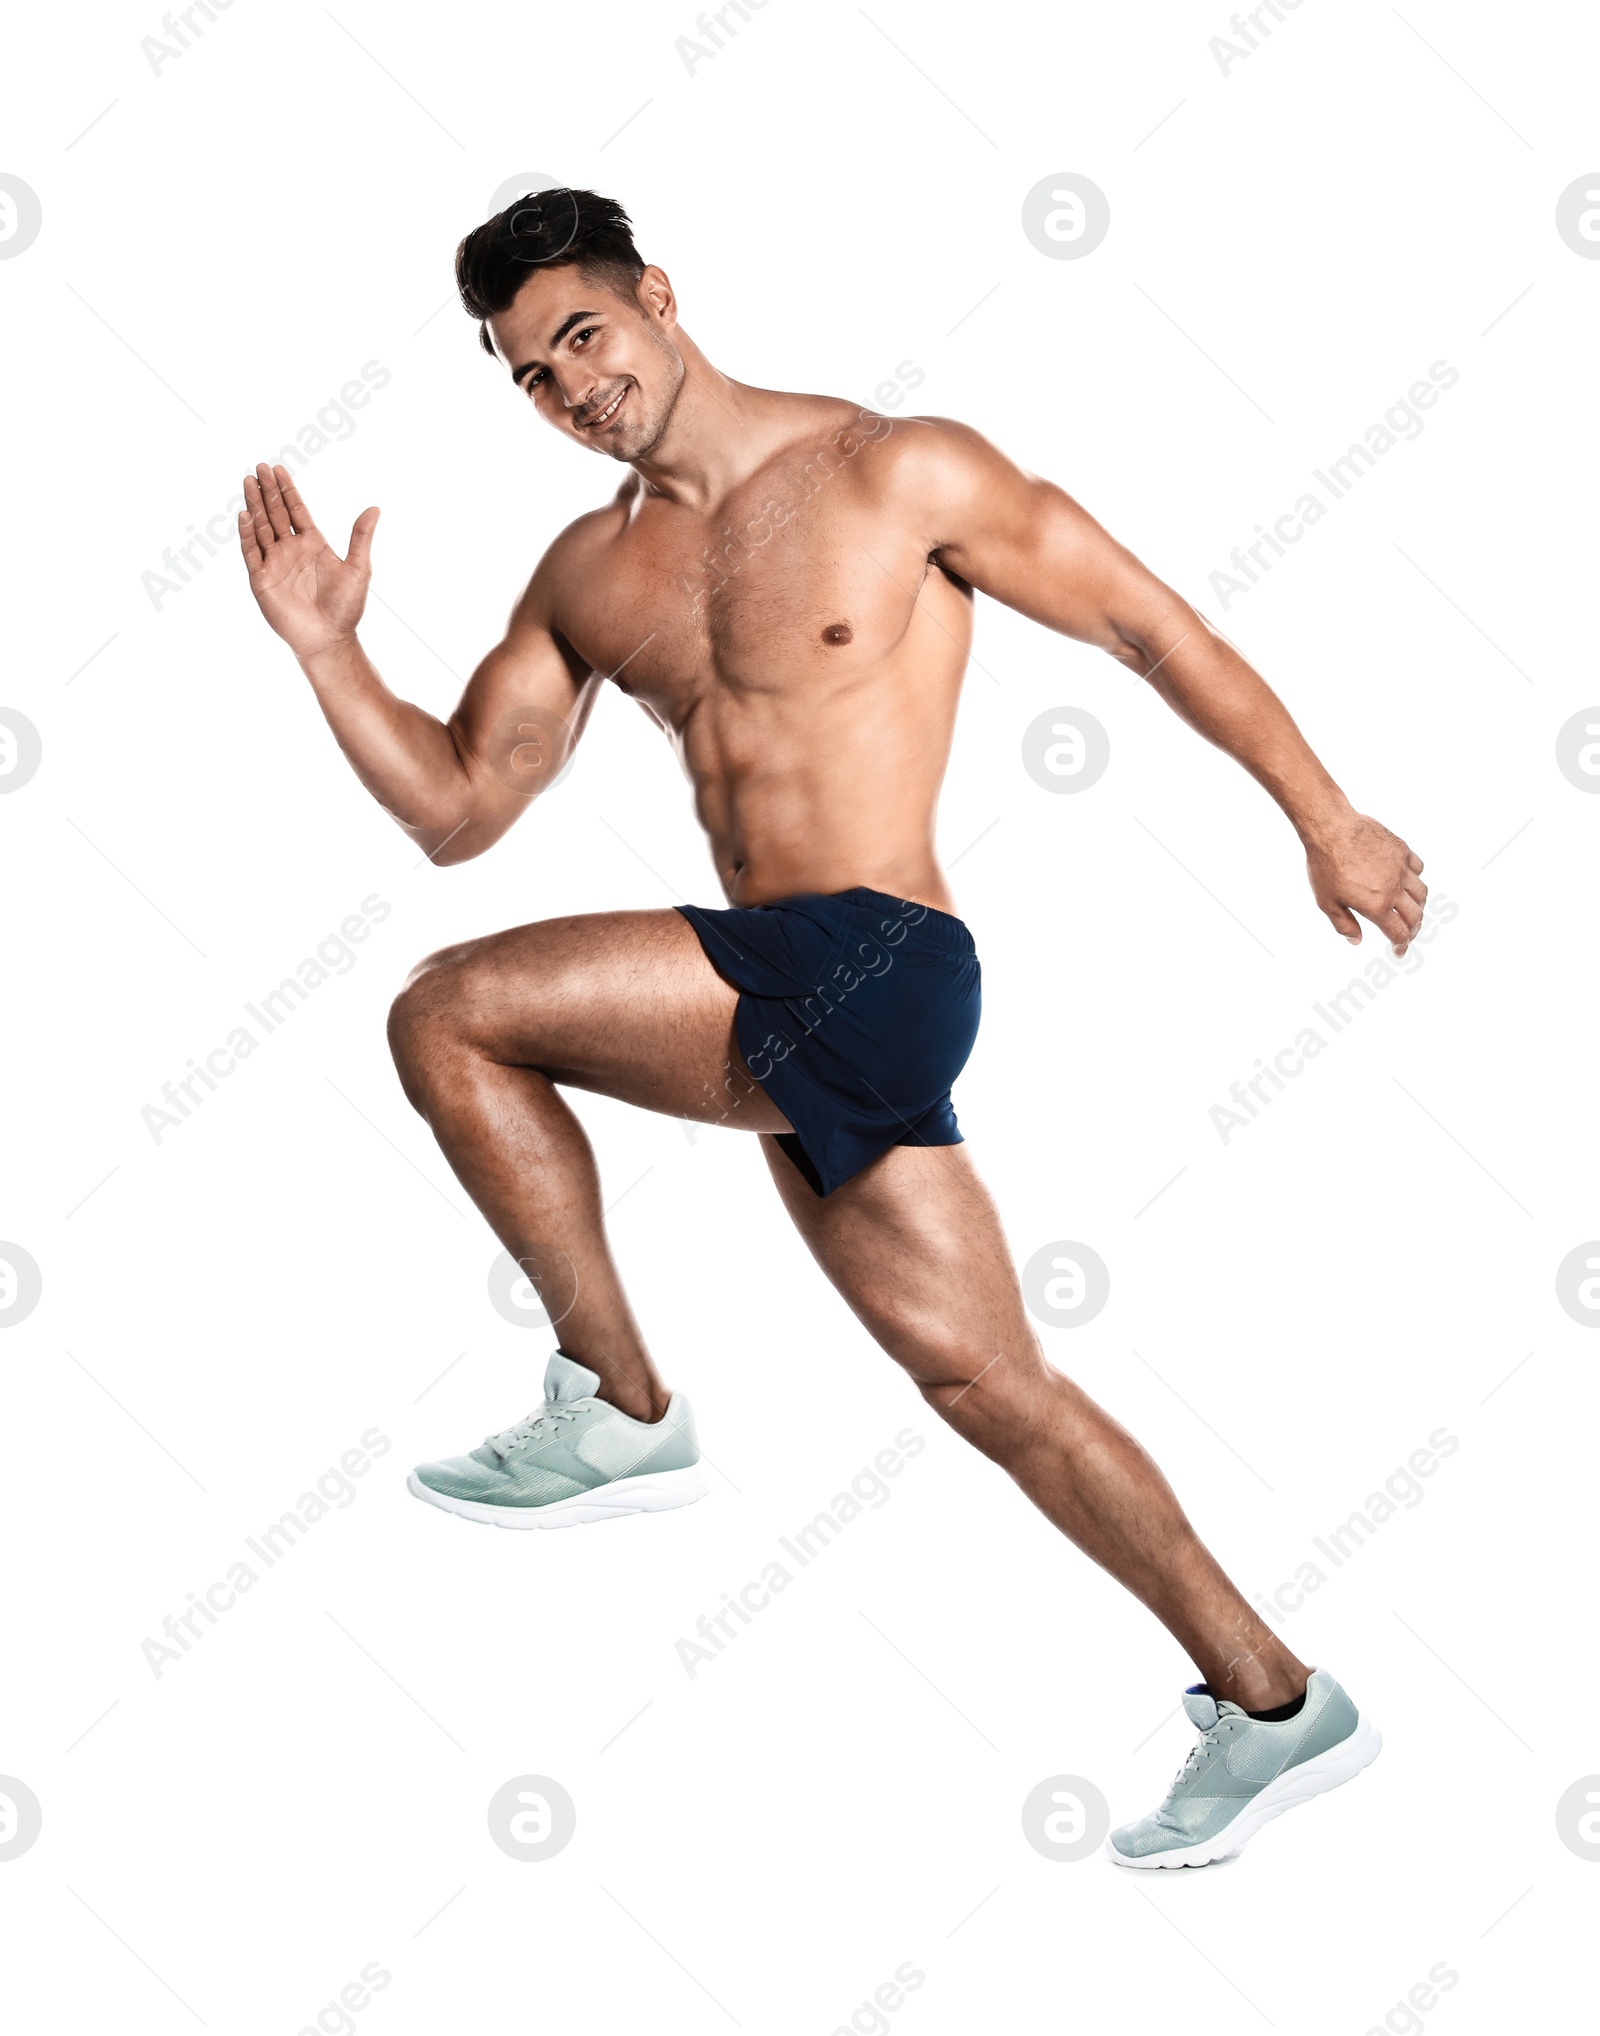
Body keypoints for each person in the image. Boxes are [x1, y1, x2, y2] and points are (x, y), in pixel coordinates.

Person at [237, 188, 1416, 1867]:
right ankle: (1277, 1703)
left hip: (873, 957)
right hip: (789, 1013)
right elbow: (457, 811)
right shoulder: (586, 572)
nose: (572, 386)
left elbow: (1152, 623)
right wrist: (331, 658)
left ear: (657, 294)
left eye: (583, 333)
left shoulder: (894, 468)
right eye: (528, 376)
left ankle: (623, 1405)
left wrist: (1328, 816)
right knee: (990, 1384)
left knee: (451, 1014)